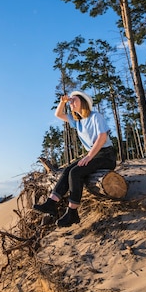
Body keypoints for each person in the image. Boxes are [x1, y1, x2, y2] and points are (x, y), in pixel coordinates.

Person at [34, 91, 116, 227]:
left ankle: (72, 212)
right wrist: (63, 102)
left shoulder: (96, 116)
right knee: (67, 170)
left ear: (83, 102)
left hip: (106, 155)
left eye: (74, 100)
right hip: (93, 154)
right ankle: (51, 203)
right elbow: (58, 115)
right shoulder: (77, 121)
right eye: (70, 101)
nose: (71, 103)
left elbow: (102, 137)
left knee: (75, 172)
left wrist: (89, 156)